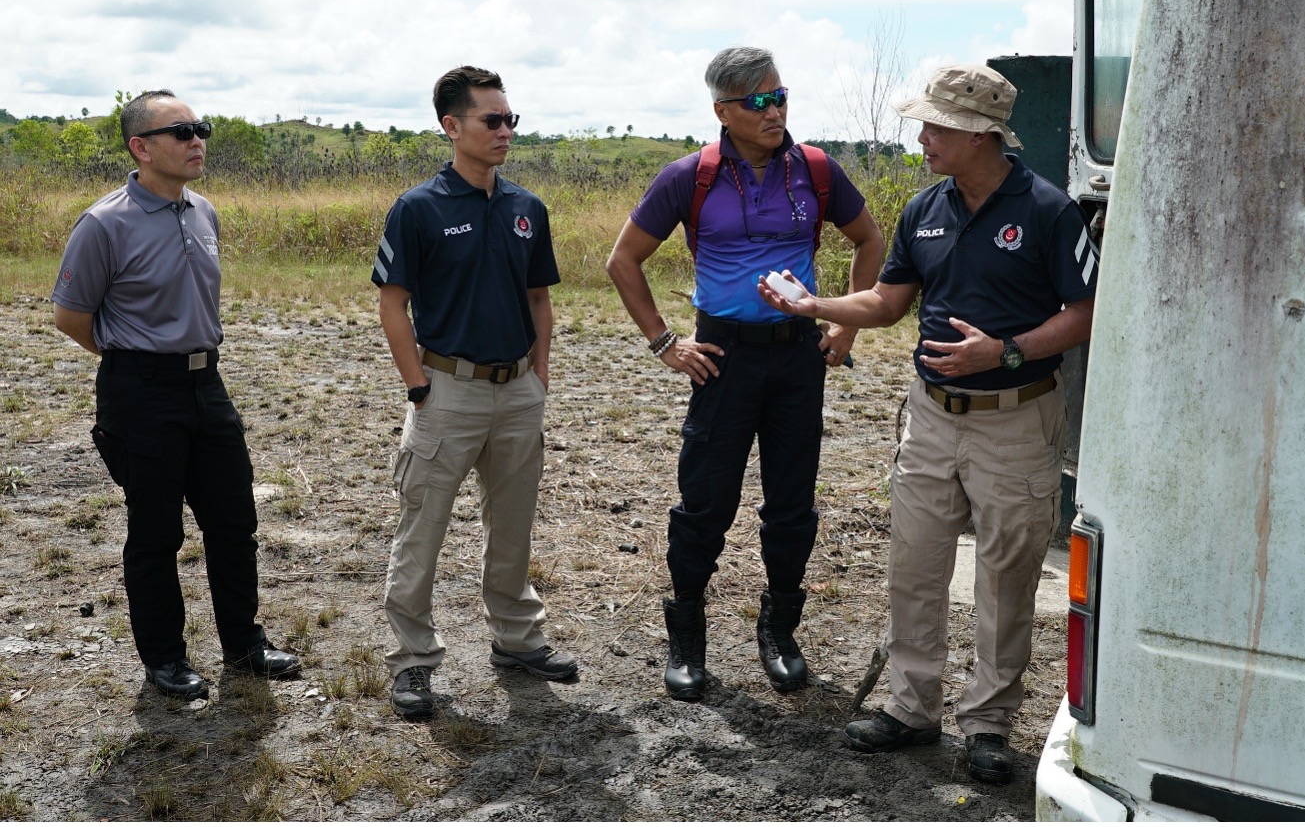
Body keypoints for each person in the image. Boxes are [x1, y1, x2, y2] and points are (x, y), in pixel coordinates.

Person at [759, 63, 1097, 784]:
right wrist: (814, 307)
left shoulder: (1046, 210)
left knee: (1006, 577)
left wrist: (1004, 351)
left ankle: (988, 724)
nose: (924, 139)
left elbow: (1086, 312)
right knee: (914, 566)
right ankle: (911, 709)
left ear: (982, 135)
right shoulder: (925, 209)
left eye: (937, 127)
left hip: (1016, 419)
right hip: (931, 416)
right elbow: (886, 304)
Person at [606, 47, 886, 701]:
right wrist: (664, 343)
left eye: (780, 96)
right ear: (722, 111)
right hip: (722, 356)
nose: (775, 110)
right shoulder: (690, 177)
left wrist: (843, 325)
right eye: (758, 102)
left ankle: (780, 633)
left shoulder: (814, 169)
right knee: (705, 501)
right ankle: (687, 638)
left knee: (791, 504)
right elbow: (624, 260)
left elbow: (870, 241)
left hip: (797, 358)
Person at [51, 90, 301, 702]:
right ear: (141, 147)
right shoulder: (103, 224)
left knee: (234, 522)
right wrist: (132, 361)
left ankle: (244, 644)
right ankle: (164, 658)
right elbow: (70, 316)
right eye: (181, 131)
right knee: (157, 532)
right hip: (139, 391)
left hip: (206, 384)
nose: (197, 140)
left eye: (201, 128)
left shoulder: (203, 212)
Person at [372, 65, 576, 721]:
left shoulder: (526, 208)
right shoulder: (418, 209)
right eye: (493, 119)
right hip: (447, 391)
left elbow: (539, 298)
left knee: (512, 526)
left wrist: (538, 376)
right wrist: (417, 386)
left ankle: (517, 641)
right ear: (451, 126)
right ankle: (412, 662)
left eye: (512, 119)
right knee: (422, 526)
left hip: (517, 390)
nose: (506, 130)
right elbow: (393, 304)